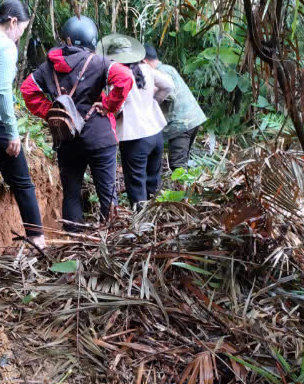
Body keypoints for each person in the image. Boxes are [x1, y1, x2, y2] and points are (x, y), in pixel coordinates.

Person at [20, 15, 133, 232]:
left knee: (71, 194)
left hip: (67, 138)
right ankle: (109, 242)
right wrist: (109, 105)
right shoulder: (98, 62)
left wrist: (50, 112)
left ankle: (73, 242)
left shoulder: (48, 67)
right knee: (107, 192)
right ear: (91, 40)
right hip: (99, 137)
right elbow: (125, 77)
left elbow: (27, 90)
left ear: (66, 39)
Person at [0, 0, 46, 258]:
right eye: (22, 30)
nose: (20, 36)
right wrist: (12, 132)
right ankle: (37, 238)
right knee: (23, 183)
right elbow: (3, 91)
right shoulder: (5, 46)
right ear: (13, 21)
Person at [99, 34, 174, 205]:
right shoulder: (147, 69)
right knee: (153, 182)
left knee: (136, 184)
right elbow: (169, 85)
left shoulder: (119, 75)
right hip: (156, 134)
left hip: (135, 138)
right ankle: (154, 221)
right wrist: (153, 101)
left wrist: (111, 112)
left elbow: (119, 104)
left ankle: (141, 226)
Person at [144, 44, 206, 170]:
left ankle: (183, 189)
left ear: (144, 62)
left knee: (178, 165)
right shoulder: (167, 68)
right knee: (181, 161)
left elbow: (168, 93)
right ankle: (189, 187)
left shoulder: (159, 73)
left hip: (181, 124)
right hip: (192, 120)